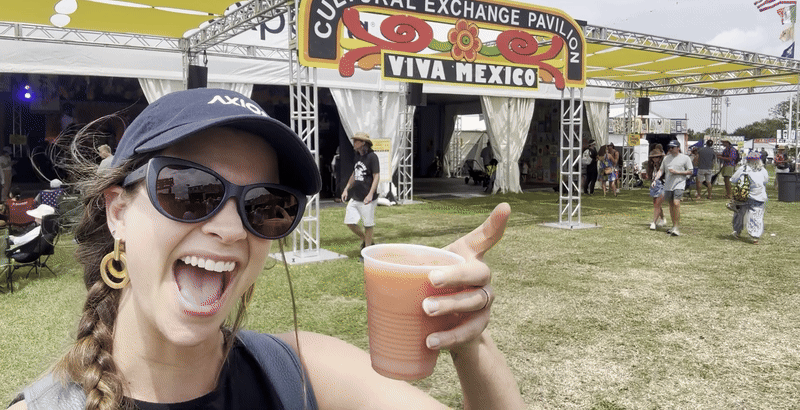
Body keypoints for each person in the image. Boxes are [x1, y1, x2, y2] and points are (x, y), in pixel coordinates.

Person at [8, 88, 524, 410]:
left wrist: (467, 342)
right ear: (119, 211)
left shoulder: (299, 371)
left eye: (266, 205)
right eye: (189, 191)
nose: (232, 229)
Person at [341, 132, 380, 252]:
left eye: (356, 141)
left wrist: (370, 194)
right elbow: (354, 174)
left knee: (368, 225)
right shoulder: (357, 156)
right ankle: (369, 242)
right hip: (356, 196)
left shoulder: (372, 157)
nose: (354, 143)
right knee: (349, 222)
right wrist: (346, 188)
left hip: (367, 198)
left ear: (363, 143)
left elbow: (376, 176)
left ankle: (367, 251)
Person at [730, 152, 770, 244]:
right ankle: (754, 236)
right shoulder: (763, 170)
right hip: (758, 196)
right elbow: (765, 181)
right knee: (756, 216)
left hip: (742, 196)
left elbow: (733, 180)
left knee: (739, 215)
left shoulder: (743, 169)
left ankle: (737, 232)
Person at [659, 140, 693, 236]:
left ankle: (677, 228)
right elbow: (661, 170)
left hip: (680, 183)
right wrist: (656, 178)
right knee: (671, 205)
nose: (670, 149)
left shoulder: (685, 158)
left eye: (672, 147)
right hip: (668, 184)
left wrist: (677, 172)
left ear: (678, 148)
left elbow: (690, 171)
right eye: (669, 147)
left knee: (676, 203)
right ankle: (674, 226)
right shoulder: (666, 158)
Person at [644, 146, 666, 230]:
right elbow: (649, 175)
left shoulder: (663, 164)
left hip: (662, 184)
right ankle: (662, 218)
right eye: (653, 157)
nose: (655, 159)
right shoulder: (650, 165)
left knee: (657, 203)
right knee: (656, 203)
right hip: (654, 184)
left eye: (657, 157)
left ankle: (654, 222)